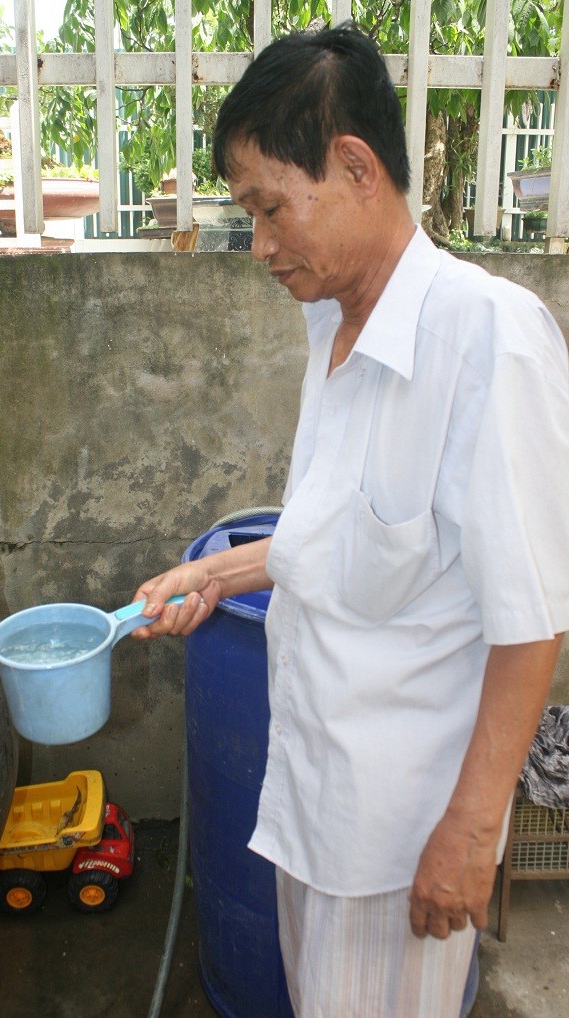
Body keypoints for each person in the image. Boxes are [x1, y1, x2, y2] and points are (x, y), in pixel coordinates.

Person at [130, 22, 569, 1018]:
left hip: (401, 838)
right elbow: (358, 542)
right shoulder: (332, 320)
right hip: (317, 797)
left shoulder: (484, 342)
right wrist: (218, 573)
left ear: (355, 165)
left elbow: (531, 615)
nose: (262, 245)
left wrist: (467, 829)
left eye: (270, 207)